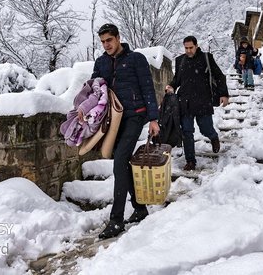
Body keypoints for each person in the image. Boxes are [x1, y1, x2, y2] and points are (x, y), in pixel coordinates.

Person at [87, 23, 160, 239]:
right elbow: (94, 88)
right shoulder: (101, 62)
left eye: (109, 40)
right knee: (123, 162)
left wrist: (154, 119)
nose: (106, 45)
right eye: (102, 42)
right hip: (114, 118)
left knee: (119, 161)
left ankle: (116, 220)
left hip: (135, 115)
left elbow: (148, 87)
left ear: (118, 38)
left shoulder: (136, 59)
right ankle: (139, 208)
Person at [166, 36, 229, 171]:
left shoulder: (206, 58)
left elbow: (219, 76)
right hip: (185, 102)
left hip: (203, 101)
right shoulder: (180, 60)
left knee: (205, 128)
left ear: (196, 46)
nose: (188, 50)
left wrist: (224, 94)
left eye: (191, 48)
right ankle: (190, 161)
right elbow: (177, 79)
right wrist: (171, 86)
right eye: (186, 48)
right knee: (187, 132)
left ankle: (213, 137)